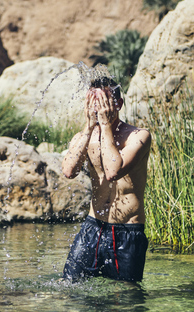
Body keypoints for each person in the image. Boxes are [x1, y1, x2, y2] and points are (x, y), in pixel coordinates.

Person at [61, 75, 151, 282]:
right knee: (69, 285)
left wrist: (106, 126)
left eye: (101, 102)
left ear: (117, 103)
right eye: (92, 102)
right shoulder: (84, 137)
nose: (96, 107)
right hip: (92, 227)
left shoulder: (138, 136)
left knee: (126, 298)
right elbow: (68, 171)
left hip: (127, 232)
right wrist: (88, 128)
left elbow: (113, 171)